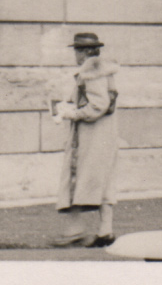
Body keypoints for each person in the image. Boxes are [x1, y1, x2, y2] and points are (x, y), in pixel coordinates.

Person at [51, 31, 120, 247]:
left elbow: (98, 105)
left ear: (87, 52)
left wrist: (73, 113)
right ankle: (105, 231)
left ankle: (75, 230)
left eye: (78, 50)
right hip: (102, 134)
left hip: (92, 135)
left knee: (77, 178)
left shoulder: (92, 72)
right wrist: (68, 105)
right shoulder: (102, 71)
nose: (76, 55)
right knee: (102, 181)